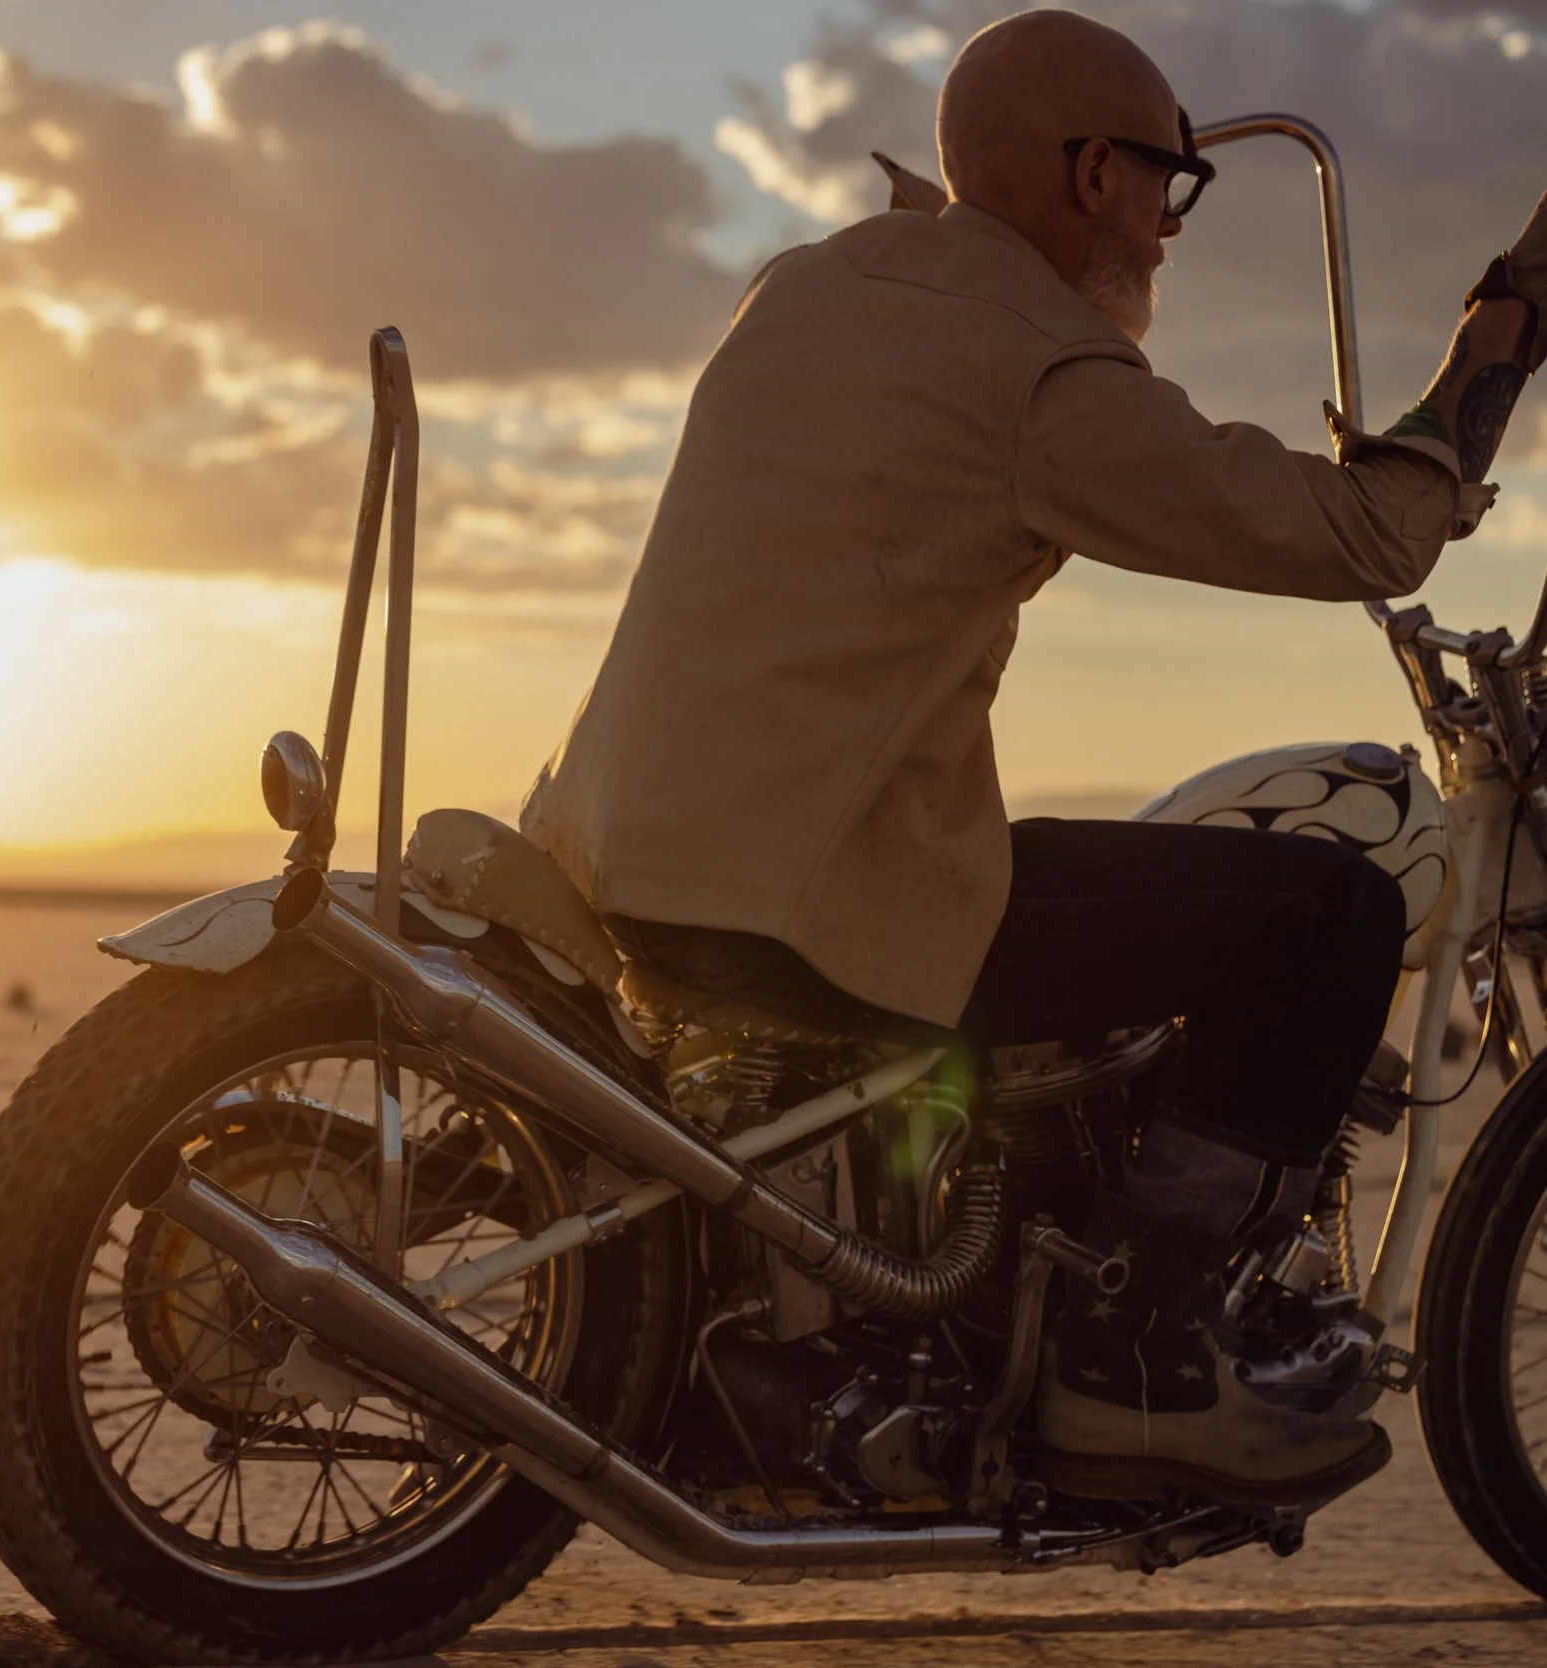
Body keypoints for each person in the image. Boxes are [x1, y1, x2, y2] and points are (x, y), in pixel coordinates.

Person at [520, 8, 1546, 1505]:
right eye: (1166, 187)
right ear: (1087, 174)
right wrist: (1501, 328)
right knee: (1325, 916)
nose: (1170, 231)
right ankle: (1129, 1361)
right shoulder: (1045, 375)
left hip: (631, 852)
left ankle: (995, 1288)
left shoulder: (804, 289)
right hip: (813, 894)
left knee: (1081, 893)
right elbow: (1366, 534)